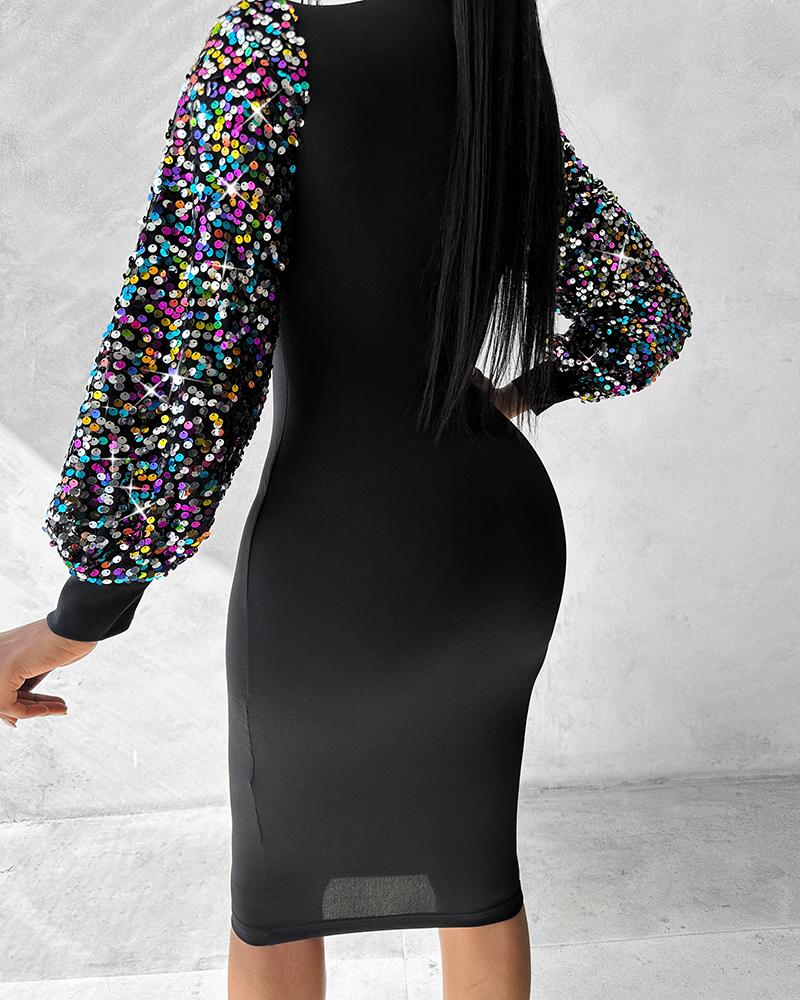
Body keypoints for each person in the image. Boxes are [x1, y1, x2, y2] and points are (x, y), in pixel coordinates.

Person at [0, 1, 692, 997]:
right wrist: (519, 392)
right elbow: (646, 313)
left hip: (333, 563)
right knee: (473, 872)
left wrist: (79, 618)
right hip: (496, 552)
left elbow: (190, 359)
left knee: (281, 891)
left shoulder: (269, 50)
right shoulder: (487, 59)